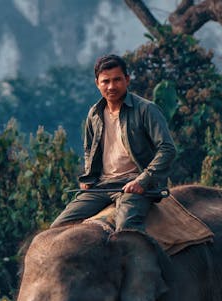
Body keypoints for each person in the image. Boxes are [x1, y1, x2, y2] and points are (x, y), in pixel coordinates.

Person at [51, 54, 176, 232]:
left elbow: (167, 149)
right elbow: (89, 149)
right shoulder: (94, 113)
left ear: (127, 79)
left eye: (117, 80)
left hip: (134, 184)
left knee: (127, 231)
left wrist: (143, 180)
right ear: (97, 83)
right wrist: (89, 176)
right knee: (57, 229)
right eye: (105, 81)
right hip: (101, 186)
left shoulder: (146, 109)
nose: (111, 86)